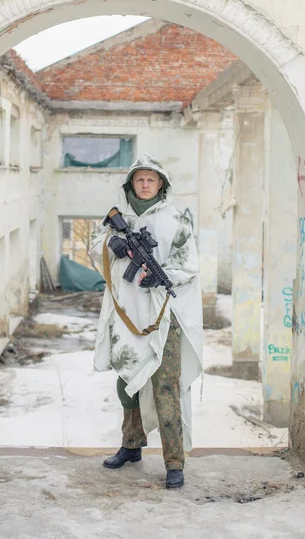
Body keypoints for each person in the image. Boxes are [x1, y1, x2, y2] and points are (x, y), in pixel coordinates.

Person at [89, 154, 203, 490]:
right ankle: (132, 445)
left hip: (162, 317)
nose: (145, 184)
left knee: (165, 387)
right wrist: (114, 244)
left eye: (151, 179)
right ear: (131, 184)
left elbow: (189, 266)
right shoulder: (116, 218)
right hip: (125, 315)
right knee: (127, 383)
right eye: (139, 179)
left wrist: (162, 276)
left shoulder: (176, 220)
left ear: (161, 184)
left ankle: (174, 463)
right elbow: (95, 249)